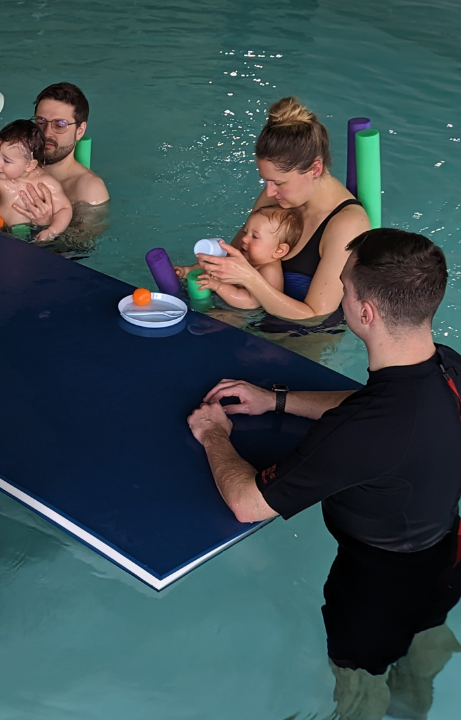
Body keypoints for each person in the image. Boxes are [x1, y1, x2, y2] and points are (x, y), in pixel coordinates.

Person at [187, 228, 461, 719]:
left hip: (375, 585)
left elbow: (247, 504)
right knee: (421, 645)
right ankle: (419, 684)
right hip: (445, 553)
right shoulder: (448, 367)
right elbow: (374, 406)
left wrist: (213, 433)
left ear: (366, 312)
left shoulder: (360, 434)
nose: (340, 294)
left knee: (358, 686)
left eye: (345, 286)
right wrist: (277, 400)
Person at [195, 97, 370, 321]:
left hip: (302, 339)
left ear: (315, 168)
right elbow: (236, 258)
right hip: (248, 316)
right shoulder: (276, 198)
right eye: (265, 181)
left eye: (278, 183)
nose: (268, 193)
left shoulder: (347, 224)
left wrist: (251, 279)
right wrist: (201, 269)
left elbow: (315, 316)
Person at [0, 82, 109, 227]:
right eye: (41, 121)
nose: (47, 132)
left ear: (80, 130)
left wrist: (46, 226)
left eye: (60, 124)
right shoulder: (8, 165)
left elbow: (81, 251)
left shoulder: (89, 189)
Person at [175, 206, 302, 310]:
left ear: (279, 250)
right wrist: (186, 271)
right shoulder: (243, 257)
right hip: (222, 301)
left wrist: (218, 286)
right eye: (245, 232)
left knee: (224, 320)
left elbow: (250, 302)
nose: (244, 239)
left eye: (255, 236)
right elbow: (212, 268)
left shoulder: (269, 270)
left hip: (246, 316)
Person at [0, 120, 72, 242]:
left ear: (30, 165)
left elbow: (64, 209)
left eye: (6, 161)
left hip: (30, 231)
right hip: (0, 228)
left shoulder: (46, 183)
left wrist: (52, 231)